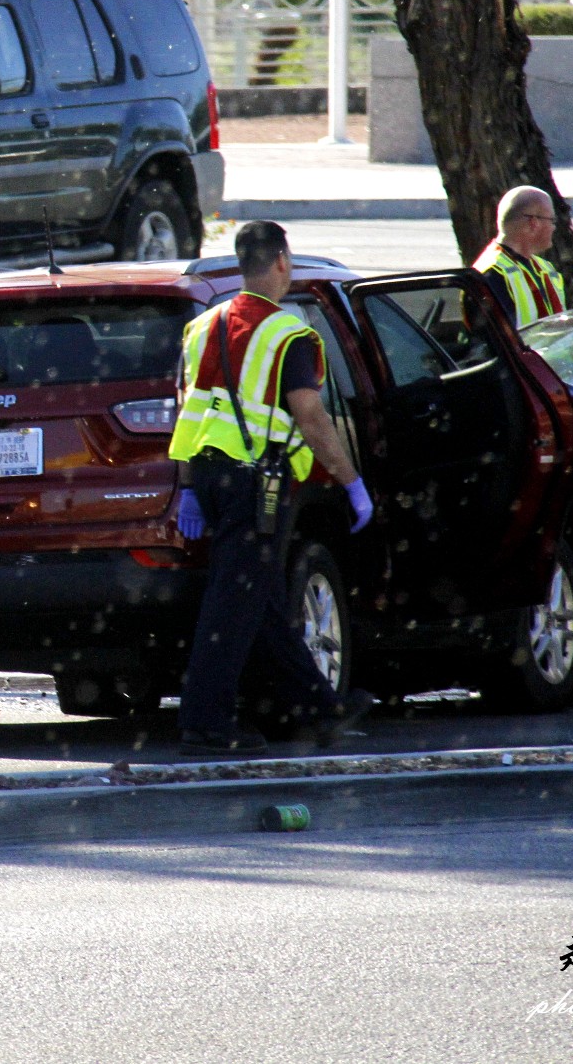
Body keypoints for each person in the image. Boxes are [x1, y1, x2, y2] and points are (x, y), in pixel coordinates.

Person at [168, 221, 377, 756]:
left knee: (256, 596)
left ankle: (317, 707)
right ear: (282, 262)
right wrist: (351, 482)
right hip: (256, 483)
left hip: (212, 477)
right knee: (234, 600)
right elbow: (310, 415)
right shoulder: (290, 335)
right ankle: (205, 723)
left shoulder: (203, 327)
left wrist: (190, 487)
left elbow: (188, 410)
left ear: (243, 264)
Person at [474, 186, 566, 329]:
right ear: (533, 223)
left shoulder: (544, 268)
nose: (554, 227)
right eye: (552, 220)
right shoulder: (492, 273)